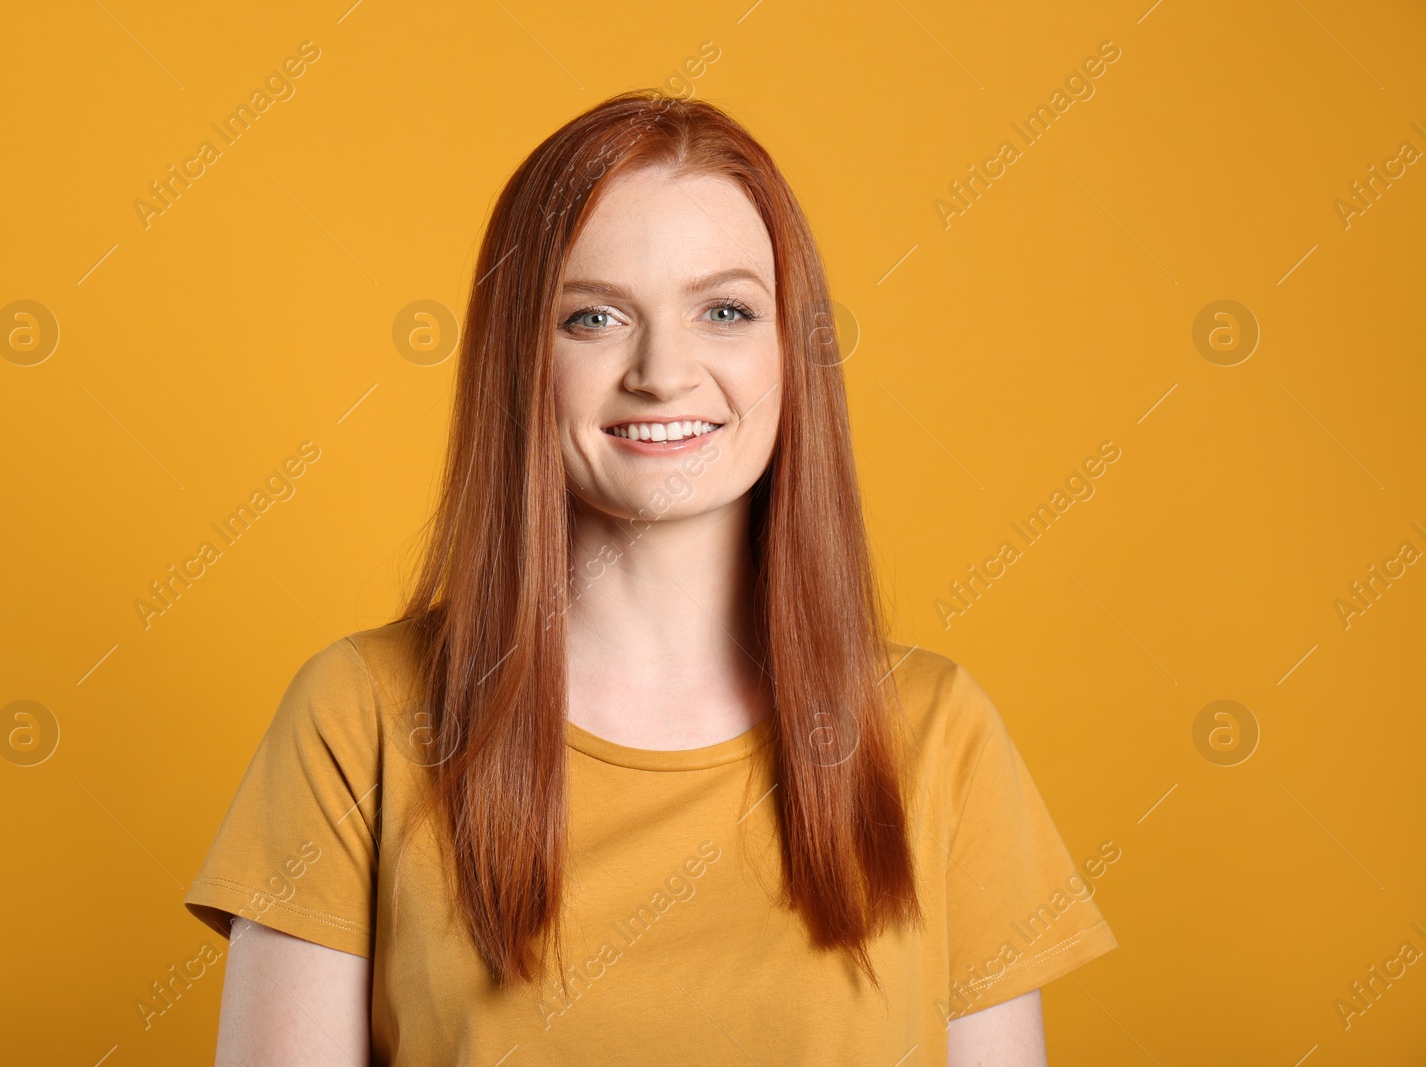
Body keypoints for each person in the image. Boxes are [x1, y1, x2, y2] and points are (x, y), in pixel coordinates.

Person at [183, 89, 1117, 1065]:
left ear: (791, 352)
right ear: (518, 358)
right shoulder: (362, 717)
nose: (663, 371)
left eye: (724, 309)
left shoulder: (935, 733)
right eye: (593, 316)